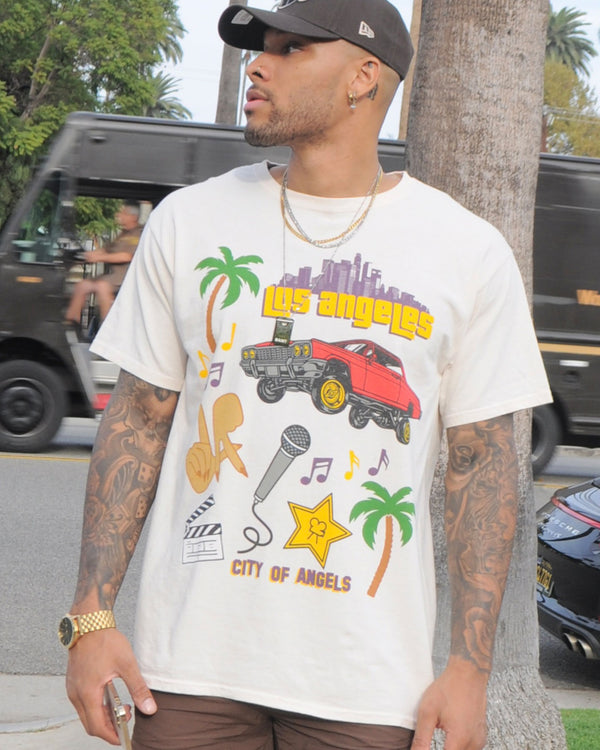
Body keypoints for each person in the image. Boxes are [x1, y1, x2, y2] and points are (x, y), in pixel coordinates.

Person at [61, 1, 552, 748]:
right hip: (188, 672)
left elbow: (482, 462)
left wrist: (470, 669)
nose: (259, 64)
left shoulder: (467, 251)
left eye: (291, 49)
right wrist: (91, 617)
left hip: (367, 685)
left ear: (363, 78)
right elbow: (138, 418)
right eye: (262, 47)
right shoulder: (190, 221)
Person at [64, 201, 142, 331]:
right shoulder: (122, 234)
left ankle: (107, 328)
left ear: (133, 217)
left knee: (102, 286)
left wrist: (100, 258)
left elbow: (126, 256)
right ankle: (72, 324)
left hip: (126, 278)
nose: (118, 215)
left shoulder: (138, 234)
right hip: (112, 276)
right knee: (82, 285)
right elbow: (105, 250)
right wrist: (86, 255)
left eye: (123, 213)